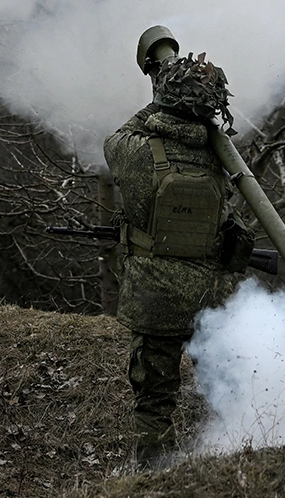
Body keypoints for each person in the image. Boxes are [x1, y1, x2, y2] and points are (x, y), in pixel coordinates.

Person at [103, 39, 250, 468]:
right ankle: (231, 462)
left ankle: (153, 477)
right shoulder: (217, 156)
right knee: (223, 390)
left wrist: (159, 94)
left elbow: (118, 136)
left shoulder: (137, 151)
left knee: (154, 401)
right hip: (209, 297)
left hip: (154, 300)